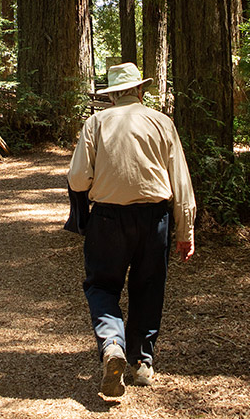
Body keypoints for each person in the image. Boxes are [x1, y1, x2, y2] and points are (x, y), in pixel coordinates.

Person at [67, 62, 196, 398]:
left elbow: (78, 179)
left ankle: (112, 343)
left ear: (111, 96)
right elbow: (180, 180)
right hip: (154, 219)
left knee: (102, 286)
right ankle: (140, 361)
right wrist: (186, 231)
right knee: (149, 288)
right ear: (140, 90)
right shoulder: (162, 123)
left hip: (108, 219)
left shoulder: (95, 123)